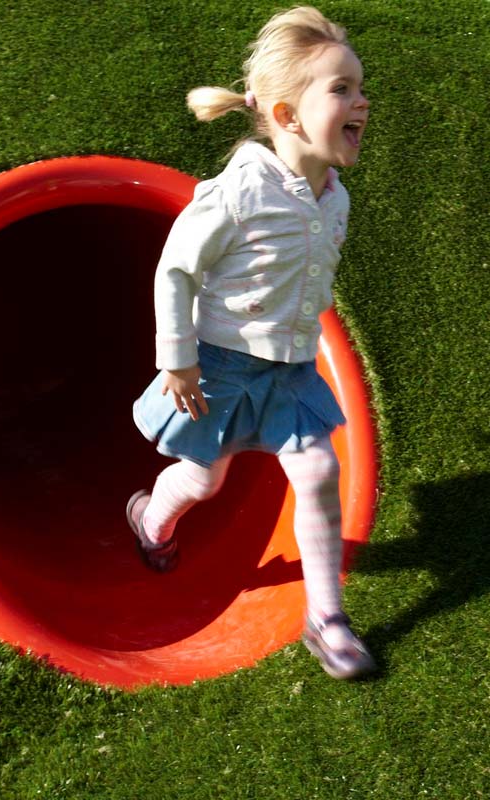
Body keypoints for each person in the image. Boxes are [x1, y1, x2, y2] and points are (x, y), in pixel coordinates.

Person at [127, 6, 375, 679]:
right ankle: (151, 519)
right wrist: (176, 356)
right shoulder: (238, 192)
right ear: (289, 117)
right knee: (203, 481)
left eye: (360, 87)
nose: (362, 100)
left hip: (290, 370)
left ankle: (326, 618)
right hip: (221, 369)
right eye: (342, 89)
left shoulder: (334, 199)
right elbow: (177, 268)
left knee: (321, 473)